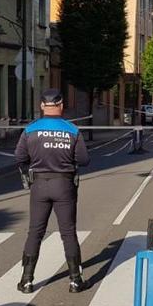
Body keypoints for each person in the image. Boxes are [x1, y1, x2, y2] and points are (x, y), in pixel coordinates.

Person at [15, 89, 90, 294]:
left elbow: (19, 157)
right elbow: (84, 160)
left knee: (35, 232)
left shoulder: (31, 130)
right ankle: (75, 280)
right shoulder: (72, 130)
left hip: (38, 185)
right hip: (64, 185)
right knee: (68, 233)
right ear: (61, 105)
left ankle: (27, 280)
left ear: (41, 106)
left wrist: (31, 166)